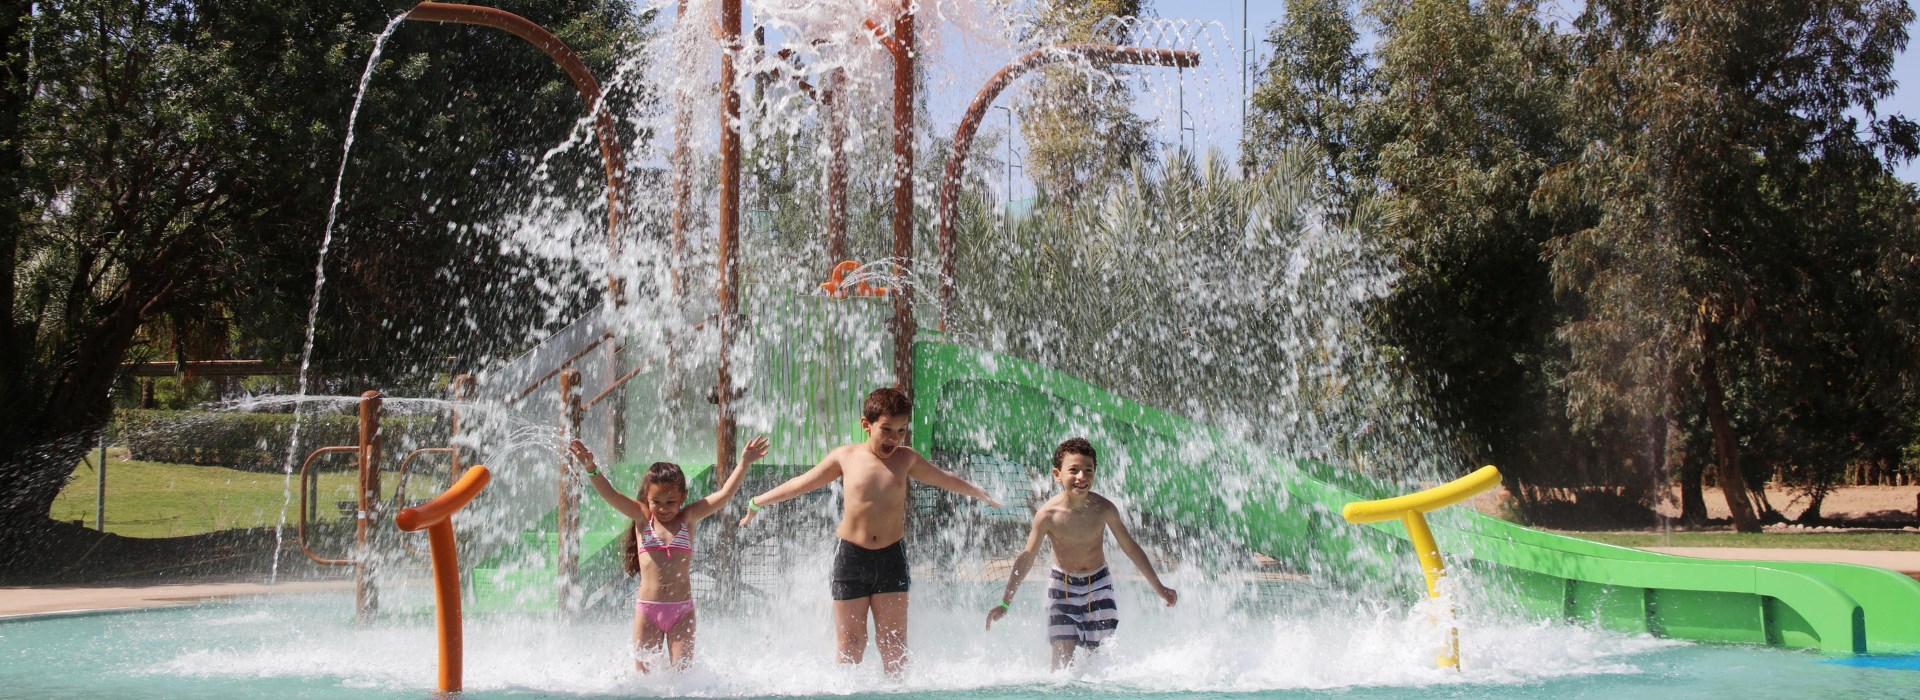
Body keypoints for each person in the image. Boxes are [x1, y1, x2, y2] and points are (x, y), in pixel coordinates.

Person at [739, 387, 1001, 676]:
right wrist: (757, 502)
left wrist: (977, 491)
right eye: (886, 429)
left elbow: (944, 478)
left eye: (901, 431)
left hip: (891, 557)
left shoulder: (906, 459)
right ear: (867, 425)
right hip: (851, 558)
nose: (893, 438)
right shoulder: (846, 457)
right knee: (851, 643)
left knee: (895, 645)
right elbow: (803, 482)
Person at [569, 434, 770, 672]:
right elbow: (610, 495)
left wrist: (744, 463)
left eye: (671, 502)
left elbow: (724, 495)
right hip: (648, 610)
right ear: (647, 498)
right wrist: (591, 468)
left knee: (682, 678)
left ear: (683, 497)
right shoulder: (642, 517)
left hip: (682, 611)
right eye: (657, 502)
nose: (664, 508)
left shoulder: (689, 518)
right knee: (645, 679)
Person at [984, 437, 1177, 669]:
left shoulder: (1104, 509)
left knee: (1098, 663)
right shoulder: (1047, 515)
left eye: (1088, 470)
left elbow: (1130, 548)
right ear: (1057, 474)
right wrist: (1005, 603)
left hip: (1098, 585)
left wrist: (1158, 586)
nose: (1081, 477)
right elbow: (1027, 556)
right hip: (1061, 588)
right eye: (1073, 470)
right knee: (1061, 667)